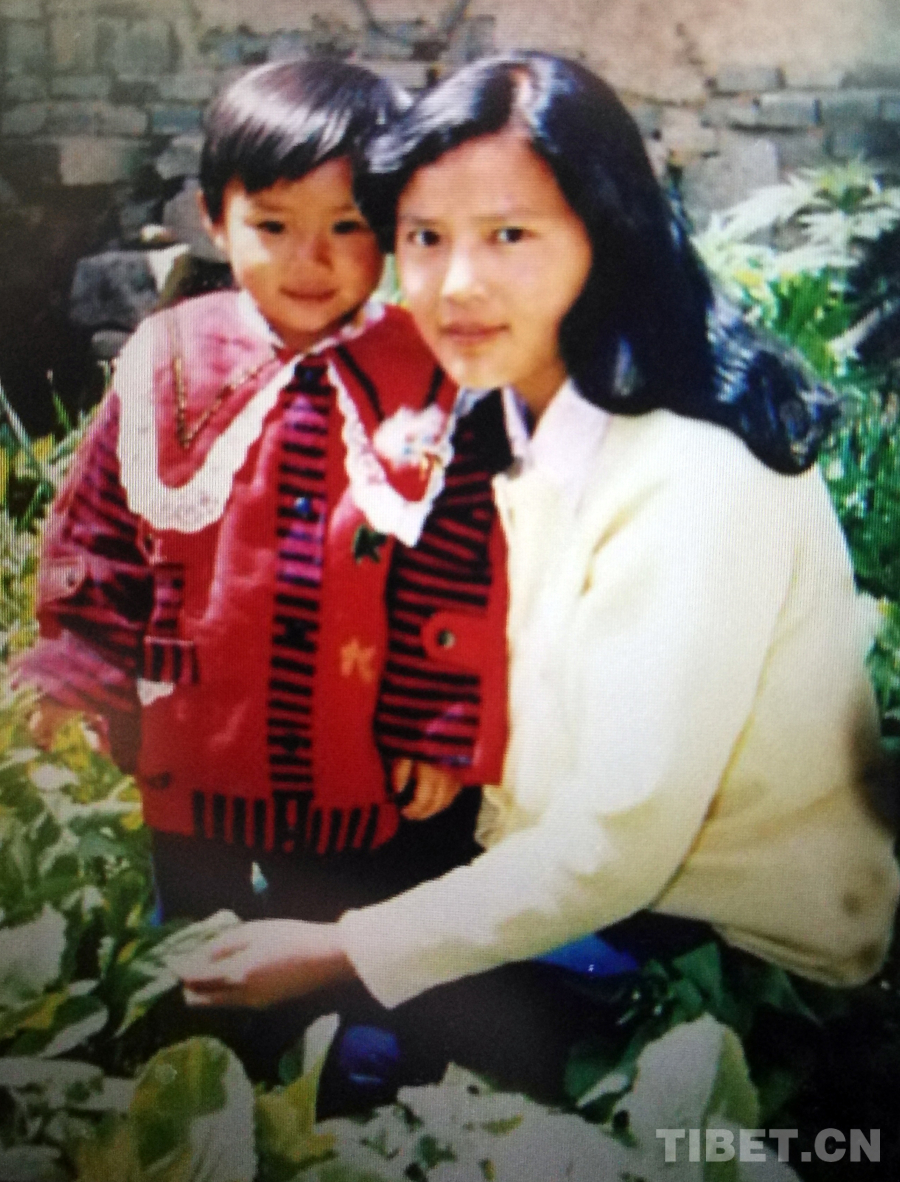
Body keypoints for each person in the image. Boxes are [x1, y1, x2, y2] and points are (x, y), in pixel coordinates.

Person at [180, 53, 899, 1062]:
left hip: (719, 954)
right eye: (426, 238)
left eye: (509, 236)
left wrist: (338, 951)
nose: (457, 284)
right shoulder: (501, 419)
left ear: (607, 238)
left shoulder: (695, 478)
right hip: (559, 882)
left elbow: (614, 845)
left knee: (334, 1055)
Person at [15, 57, 511, 1098]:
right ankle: (208, 1100)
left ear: (393, 230)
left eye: (347, 227)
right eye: (273, 225)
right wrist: (76, 669)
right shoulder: (166, 360)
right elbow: (101, 527)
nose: (309, 261)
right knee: (198, 968)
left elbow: (459, 566)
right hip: (192, 753)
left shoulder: (426, 377)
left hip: (361, 765)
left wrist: (439, 721)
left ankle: (361, 1111)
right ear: (214, 217)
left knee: (353, 989)